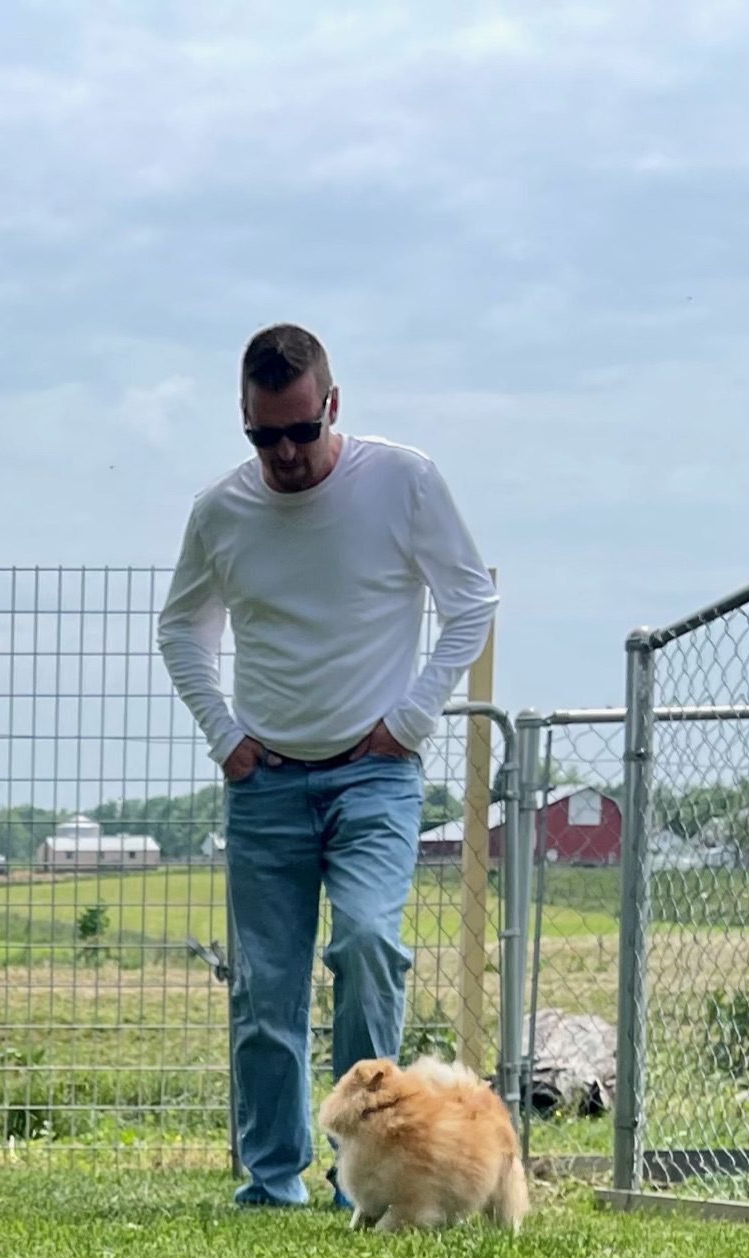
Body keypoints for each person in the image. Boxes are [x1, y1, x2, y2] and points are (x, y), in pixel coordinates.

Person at [157, 323, 498, 1207]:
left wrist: (411, 718)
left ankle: (367, 1183)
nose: (286, 455)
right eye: (264, 436)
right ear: (244, 421)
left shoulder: (403, 480)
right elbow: (182, 628)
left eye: (302, 432)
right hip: (263, 778)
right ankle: (273, 1181)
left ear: (332, 406)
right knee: (266, 989)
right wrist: (223, 736)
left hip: (375, 775)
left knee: (367, 944)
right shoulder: (220, 512)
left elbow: (471, 599)